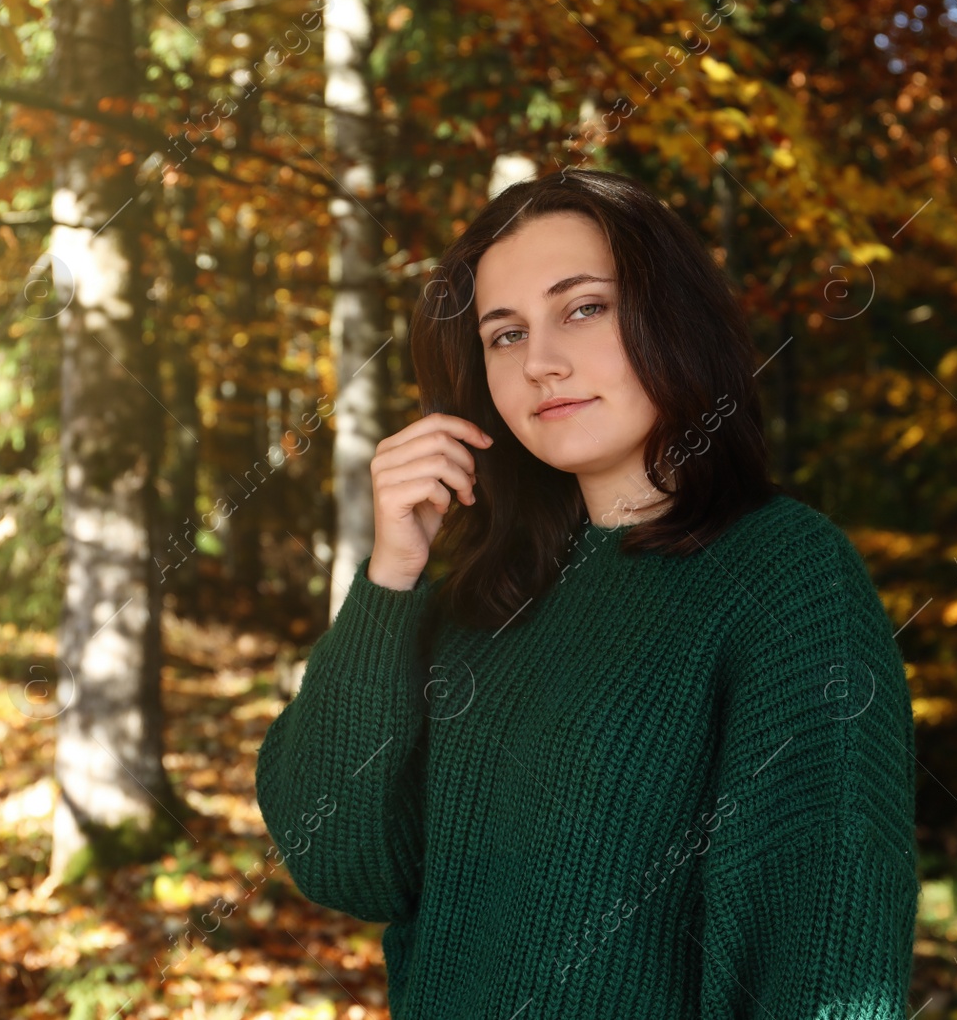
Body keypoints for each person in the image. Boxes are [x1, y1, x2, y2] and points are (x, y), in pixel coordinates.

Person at [255, 168, 919, 1017]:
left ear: (671, 315)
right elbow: (341, 858)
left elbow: (820, 957)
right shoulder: (485, 592)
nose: (541, 362)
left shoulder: (783, 576)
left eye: (583, 308)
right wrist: (390, 577)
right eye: (504, 334)